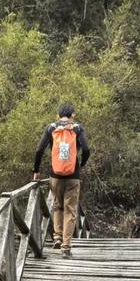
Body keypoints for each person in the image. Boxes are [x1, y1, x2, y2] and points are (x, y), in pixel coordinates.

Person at [33, 103, 90, 258]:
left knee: (58, 206)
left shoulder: (51, 128)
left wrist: (36, 171)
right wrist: (81, 164)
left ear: (58, 116)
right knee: (70, 210)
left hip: (55, 175)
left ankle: (57, 237)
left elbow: (39, 149)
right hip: (73, 176)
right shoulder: (77, 128)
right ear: (73, 115)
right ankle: (66, 247)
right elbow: (86, 149)